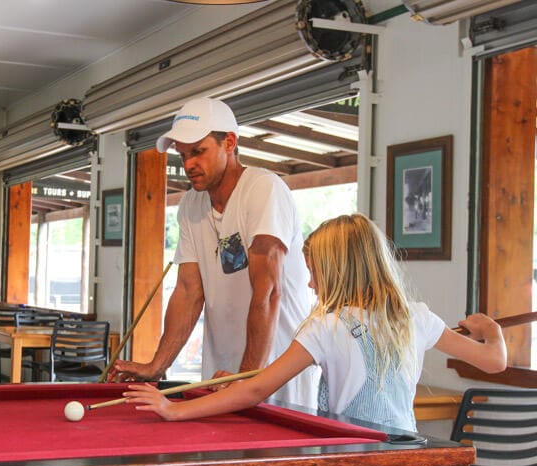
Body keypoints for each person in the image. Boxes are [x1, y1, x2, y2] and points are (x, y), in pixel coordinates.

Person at [123, 214, 507, 432]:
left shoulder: (326, 325)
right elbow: (495, 362)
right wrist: (491, 331)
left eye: (315, 271)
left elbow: (257, 390)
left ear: (339, 271)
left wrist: (173, 409)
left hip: (348, 457)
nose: (310, 283)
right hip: (404, 454)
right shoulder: (415, 317)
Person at [109, 97, 319, 409]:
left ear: (229, 143)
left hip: (274, 375)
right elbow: (188, 291)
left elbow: (269, 290)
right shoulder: (191, 205)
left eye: (198, 151)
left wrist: (249, 378)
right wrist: (157, 365)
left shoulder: (263, 189)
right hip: (222, 375)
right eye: (183, 155)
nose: (189, 163)